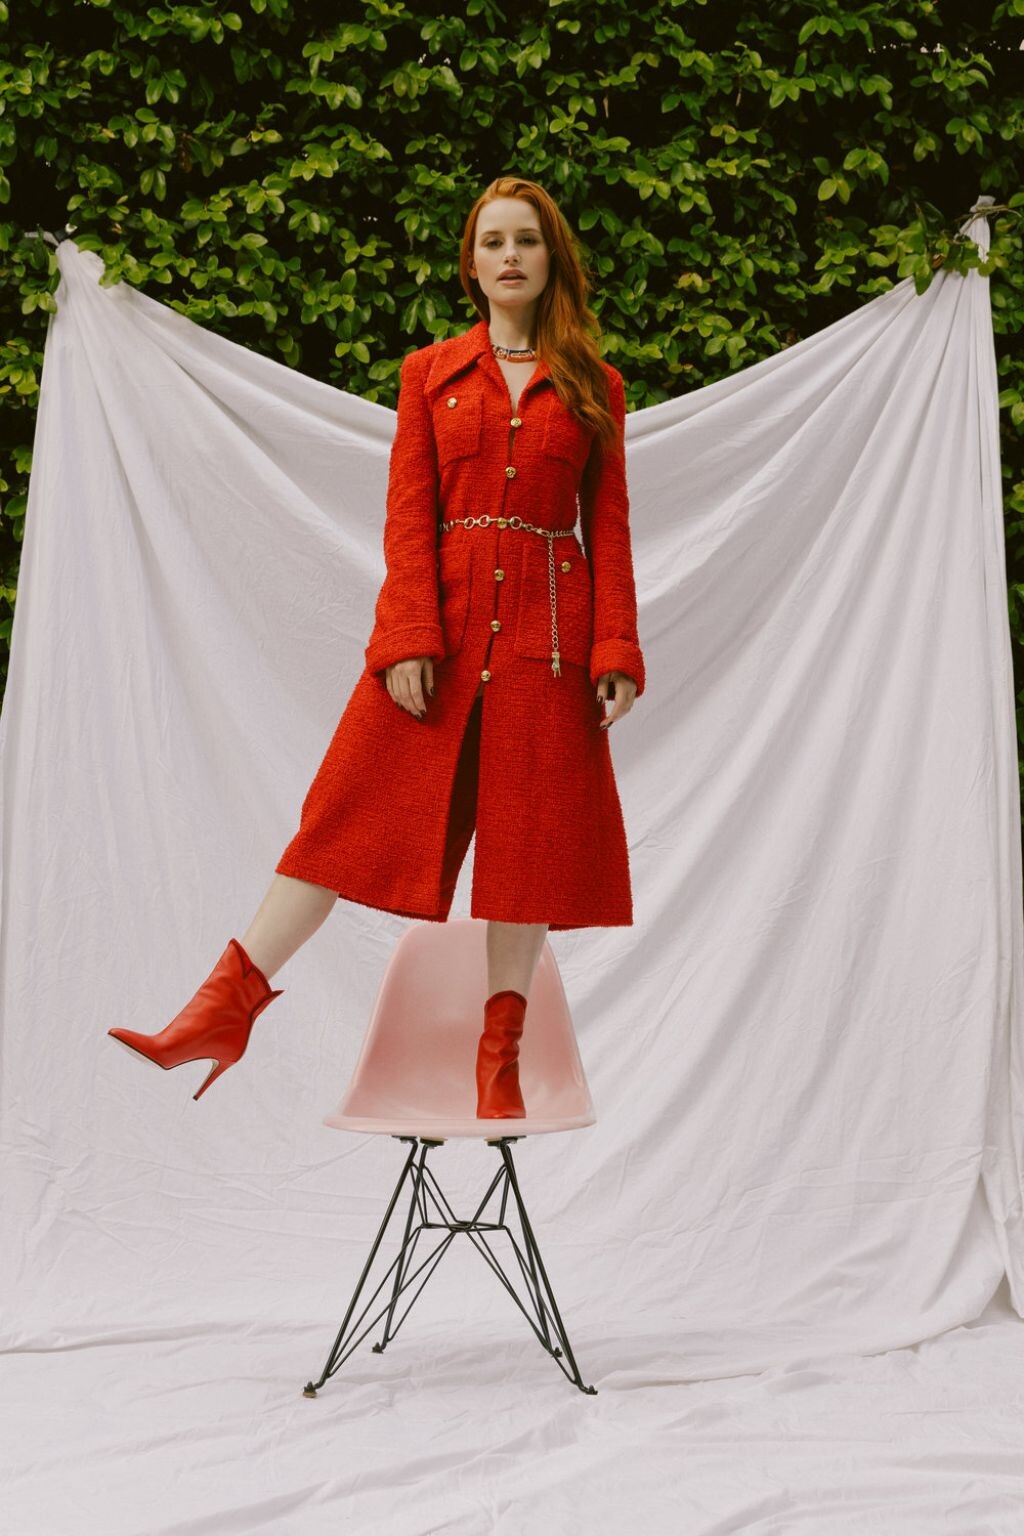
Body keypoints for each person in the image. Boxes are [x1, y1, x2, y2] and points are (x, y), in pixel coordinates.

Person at [108, 175, 646, 1118]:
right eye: (492, 242)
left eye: (526, 240)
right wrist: (405, 636)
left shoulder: (594, 387)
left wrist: (615, 651)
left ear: (552, 256)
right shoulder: (429, 374)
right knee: (339, 821)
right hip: (443, 633)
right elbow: (407, 518)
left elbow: (609, 525)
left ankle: (500, 1062)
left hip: (548, 644)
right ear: (470, 263)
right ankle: (221, 1010)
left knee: (524, 849)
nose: (509, 256)